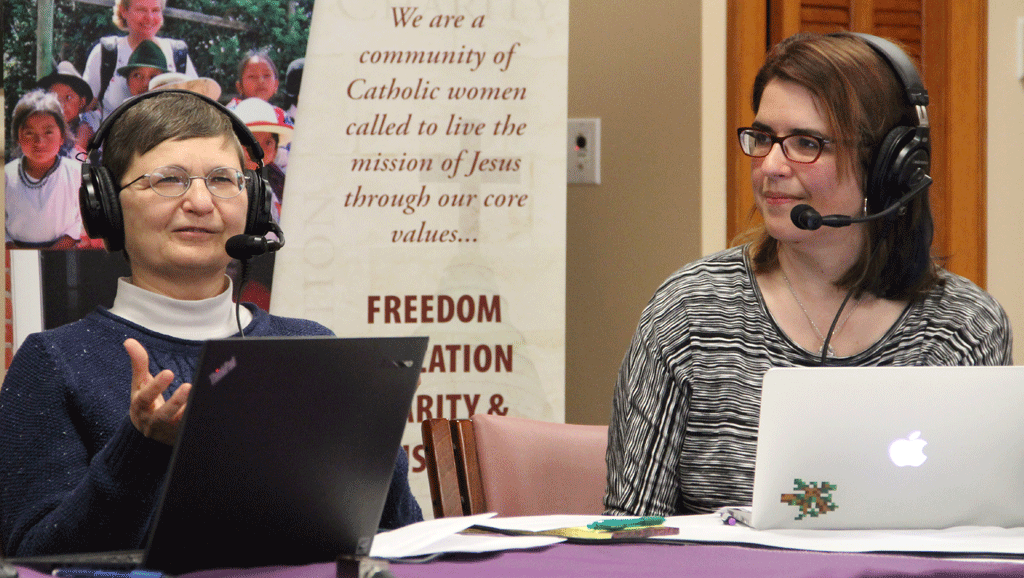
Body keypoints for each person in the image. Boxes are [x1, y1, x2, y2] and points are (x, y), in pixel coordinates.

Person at [604, 32, 1012, 518]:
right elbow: (628, 528)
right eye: (763, 138)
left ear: (886, 168)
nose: (771, 166)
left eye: (805, 143)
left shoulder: (961, 327)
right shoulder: (690, 312)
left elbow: (977, 527)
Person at [0, 91, 422, 556]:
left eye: (223, 180)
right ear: (104, 207)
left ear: (255, 202)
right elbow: (31, 559)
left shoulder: (311, 348)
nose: (201, 202)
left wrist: (371, 431)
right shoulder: (52, 364)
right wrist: (139, 448)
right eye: (168, 180)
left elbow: (400, 538)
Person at [82, 0, 197, 120]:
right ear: (124, 11)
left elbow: (199, 108)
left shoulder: (176, 53)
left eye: (155, 10)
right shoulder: (106, 52)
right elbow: (84, 108)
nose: (149, 17)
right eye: (141, 10)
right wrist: (86, 128)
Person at [4, 90, 85, 249]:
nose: (39, 142)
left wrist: (54, 252)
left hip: (63, 253)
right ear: (19, 137)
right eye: (29, 133)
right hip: (14, 254)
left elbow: (81, 221)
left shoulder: (76, 173)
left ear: (61, 136)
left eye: (48, 132)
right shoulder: (6, 176)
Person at [36, 61, 93, 157]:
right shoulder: (41, 132)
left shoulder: (88, 132)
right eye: (54, 97)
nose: (61, 104)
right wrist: (80, 147)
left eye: (68, 97)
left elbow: (85, 171)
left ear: (82, 102)